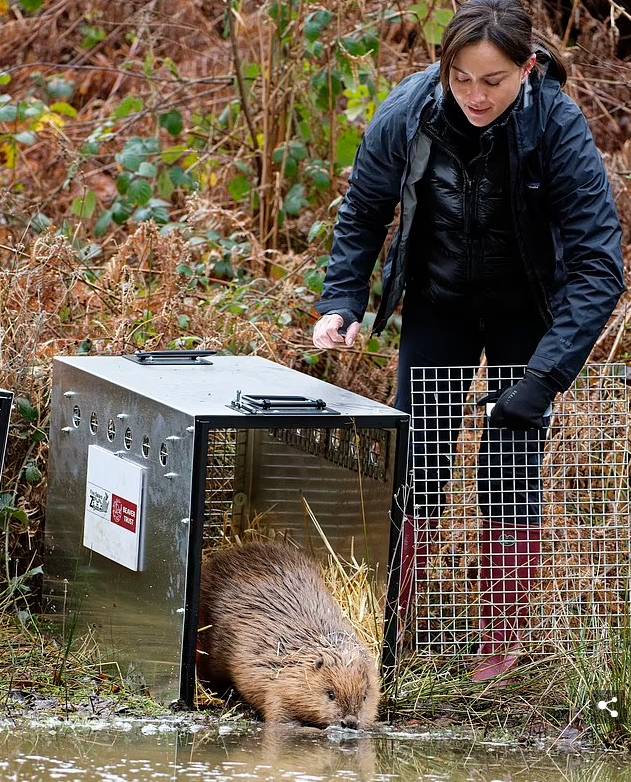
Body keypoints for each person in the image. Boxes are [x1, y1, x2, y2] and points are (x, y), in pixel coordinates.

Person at [312, 0, 624, 682]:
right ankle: (393, 638)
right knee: (415, 464)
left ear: (527, 70)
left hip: (526, 308)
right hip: (438, 300)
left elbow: (601, 267)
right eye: (460, 79)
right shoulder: (406, 113)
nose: (475, 96)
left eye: (493, 80)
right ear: (443, 69)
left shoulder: (557, 127)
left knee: (506, 470)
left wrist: (541, 380)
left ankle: (497, 651)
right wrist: (342, 299)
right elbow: (364, 209)